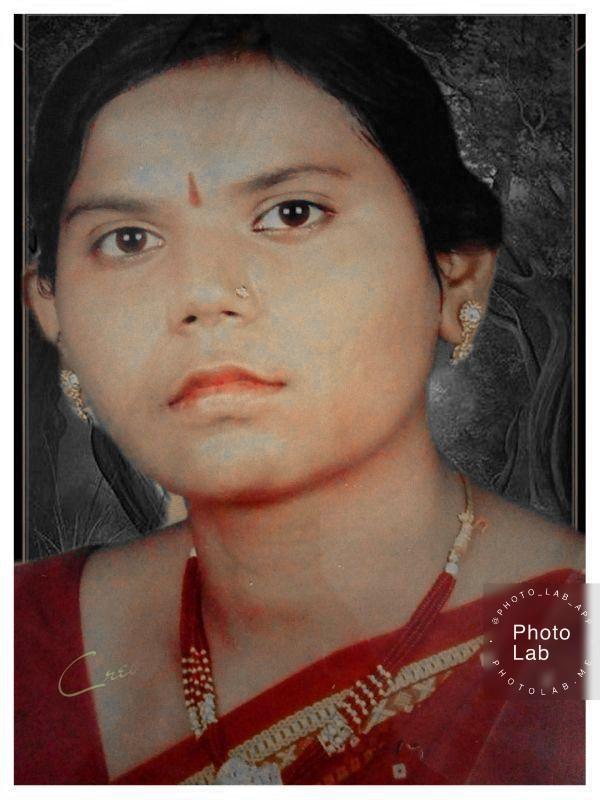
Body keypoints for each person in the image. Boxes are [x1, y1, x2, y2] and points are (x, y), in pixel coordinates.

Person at [16, 14, 584, 785]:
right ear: (54, 312)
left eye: (292, 213)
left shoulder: (572, 634)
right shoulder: (25, 644)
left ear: (456, 277)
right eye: (129, 239)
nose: (204, 293)